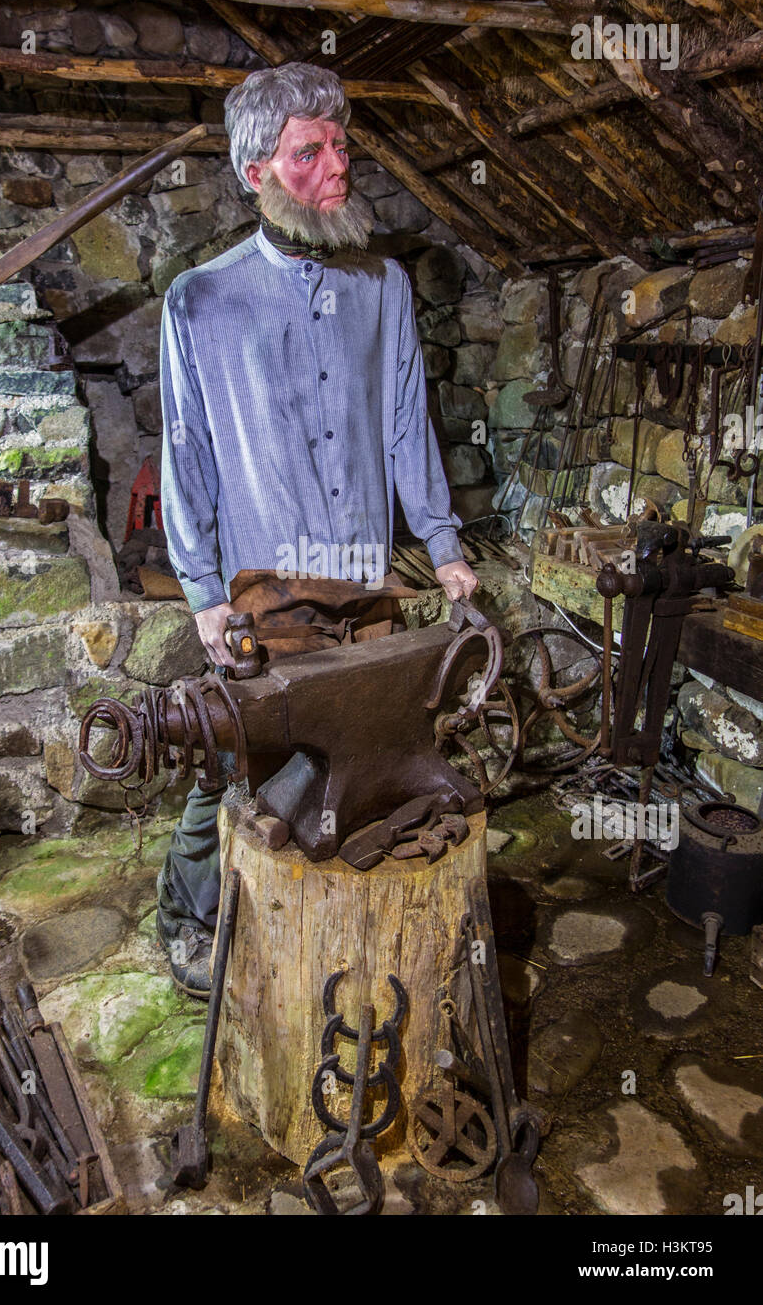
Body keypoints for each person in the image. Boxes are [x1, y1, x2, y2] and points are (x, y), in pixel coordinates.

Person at [156, 63, 478, 996]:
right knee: (237, 758)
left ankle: (337, 953)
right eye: (311, 150)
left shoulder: (384, 286)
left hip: (363, 576)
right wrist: (205, 593)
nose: (338, 165)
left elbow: (410, 422)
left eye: (342, 145)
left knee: (361, 752)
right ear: (257, 170)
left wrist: (445, 546)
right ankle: (190, 916)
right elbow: (188, 452)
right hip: (264, 584)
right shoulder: (201, 300)